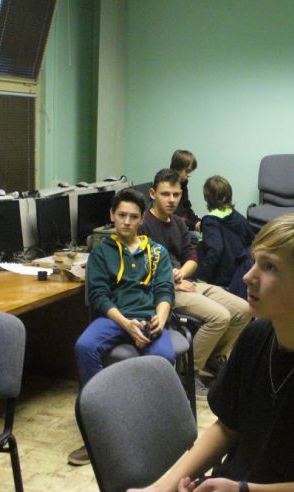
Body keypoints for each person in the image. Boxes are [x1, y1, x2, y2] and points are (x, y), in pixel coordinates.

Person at [130, 149, 294, 492]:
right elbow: (227, 426)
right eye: (255, 262)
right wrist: (162, 488)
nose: (248, 277)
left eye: (270, 267)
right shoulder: (256, 337)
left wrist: (244, 490)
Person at [69, 187, 175, 466]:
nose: (127, 222)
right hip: (115, 318)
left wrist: (160, 318)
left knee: (163, 359)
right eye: (122, 215)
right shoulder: (102, 252)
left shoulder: (157, 252)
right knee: (85, 346)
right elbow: (99, 296)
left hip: (149, 318)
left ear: (142, 219)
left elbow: (165, 291)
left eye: (133, 217)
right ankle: (100, 428)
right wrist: (127, 325)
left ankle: (149, 434)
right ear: (112, 216)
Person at [140, 169, 250, 397]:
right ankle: (188, 373)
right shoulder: (143, 225)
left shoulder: (178, 223)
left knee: (244, 309)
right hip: (163, 291)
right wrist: (172, 282)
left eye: (176, 194)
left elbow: (191, 257)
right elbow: (141, 269)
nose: (171, 200)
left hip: (187, 282)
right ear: (152, 193)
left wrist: (180, 274)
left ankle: (213, 359)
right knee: (220, 317)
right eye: (165, 194)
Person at [196, 175, 254, 288]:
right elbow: (251, 241)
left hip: (220, 278)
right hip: (238, 274)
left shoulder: (210, 221)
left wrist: (202, 277)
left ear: (207, 198)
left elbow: (215, 250)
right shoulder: (238, 217)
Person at [171, 149, 201, 233]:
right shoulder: (168, 186)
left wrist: (198, 222)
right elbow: (173, 216)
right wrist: (193, 225)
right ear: (177, 168)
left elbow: (186, 209)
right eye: (187, 171)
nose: (189, 175)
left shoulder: (183, 184)